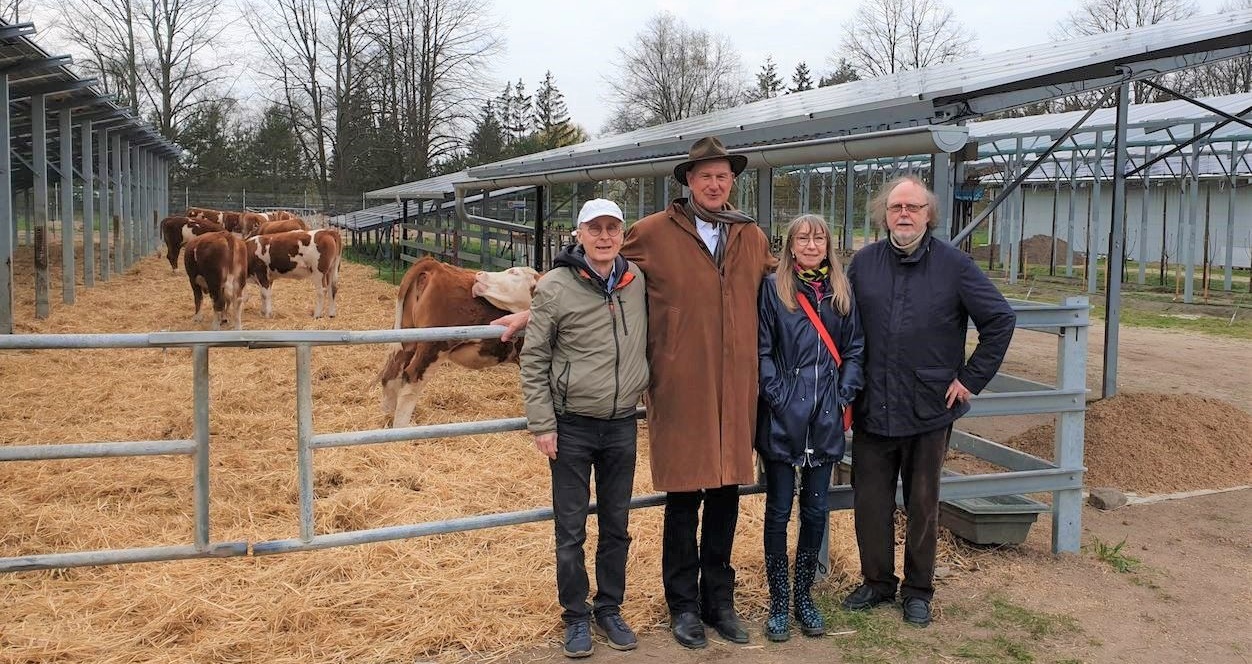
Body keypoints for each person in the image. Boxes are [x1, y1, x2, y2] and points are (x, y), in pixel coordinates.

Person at [498, 136, 776, 649]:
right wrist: (535, 311)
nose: (714, 184)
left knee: (726, 499)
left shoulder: (750, 236)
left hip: (736, 390)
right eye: (705, 176)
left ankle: (720, 602)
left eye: (722, 176)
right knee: (684, 498)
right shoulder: (652, 232)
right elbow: (592, 273)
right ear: (688, 181)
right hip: (682, 389)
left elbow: (781, 288)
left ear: (732, 181)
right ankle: (683, 606)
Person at [842, 175, 1016, 628]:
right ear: (884, 215)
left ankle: (918, 590)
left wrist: (970, 379)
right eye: (896, 207)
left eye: (913, 207)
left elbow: (999, 319)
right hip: (873, 405)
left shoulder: (954, 265)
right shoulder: (864, 264)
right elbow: (840, 320)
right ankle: (877, 582)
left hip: (929, 407)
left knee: (923, 503)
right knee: (870, 502)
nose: (904, 214)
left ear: (928, 215)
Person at [519, 199, 650, 658]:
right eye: (595, 228)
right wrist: (542, 423)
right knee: (570, 529)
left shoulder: (636, 282)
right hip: (571, 424)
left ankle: (609, 607)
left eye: (613, 228)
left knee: (617, 524)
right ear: (579, 234)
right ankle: (575, 615)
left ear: (622, 234)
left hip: (621, 423)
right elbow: (534, 357)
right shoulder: (555, 286)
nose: (604, 237)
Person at [755, 214, 864, 642]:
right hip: (783, 418)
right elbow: (763, 349)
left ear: (828, 245)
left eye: (819, 238)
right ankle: (779, 600)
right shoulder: (774, 289)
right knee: (779, 510)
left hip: (824, 418)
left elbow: (854, 348)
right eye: (803, 238)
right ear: (790, 245)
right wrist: (777, 395)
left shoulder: (841, 292)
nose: (812, 245)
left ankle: (804, 596)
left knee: (816, 510)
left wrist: (843, 393)